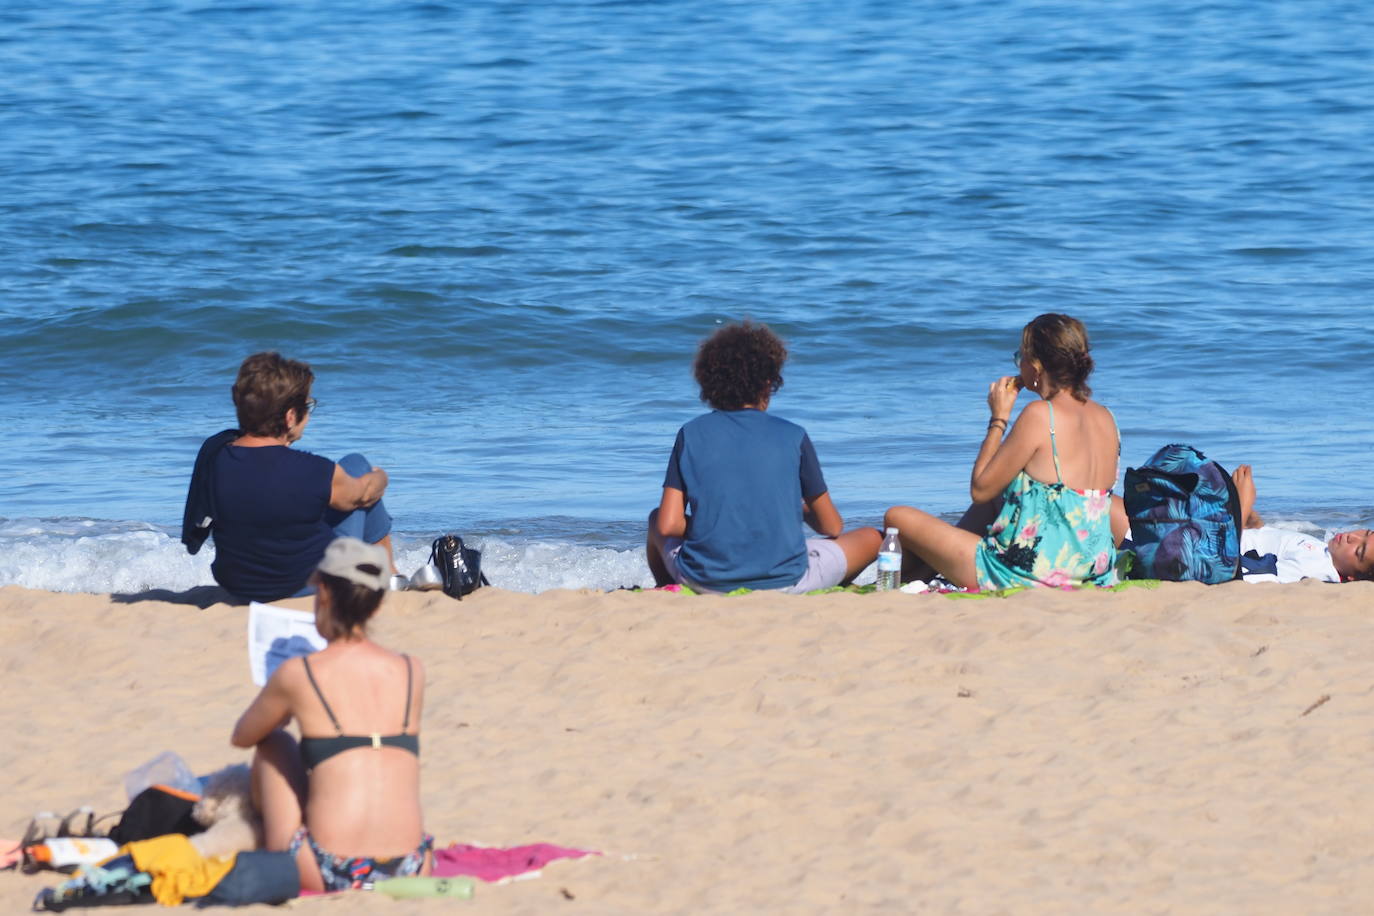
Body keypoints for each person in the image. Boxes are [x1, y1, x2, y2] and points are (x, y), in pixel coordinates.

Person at [232, 537, 431, 892]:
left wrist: (280, 710)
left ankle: (265, 833)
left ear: (323, 594)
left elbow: (242, 736)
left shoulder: (299, 672)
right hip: (412, 865)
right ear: (376, 605)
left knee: (273, 743)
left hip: (331, 869)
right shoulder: (412, 670)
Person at [884, 313, 1119, 590]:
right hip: (1090, 568)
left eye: (1022, 356)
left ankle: (920, 575)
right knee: (998, 499)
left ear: (1037, 366)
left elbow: (980, 488)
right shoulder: (1106, 417)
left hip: (1031, 573)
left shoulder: (1041, 415)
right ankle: (930, 570)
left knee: (896, 517)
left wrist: (998, 418)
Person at [646, 321, 881, 594]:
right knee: (873, 537)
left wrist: (720, 520)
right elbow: (832, 526)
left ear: (710, 383)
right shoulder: (793, 435)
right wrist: (788, 509)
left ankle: (668, 589)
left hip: (703, 581)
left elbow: (669, 523)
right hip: (786, 582)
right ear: (769, 382)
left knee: (654, 518)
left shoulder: (691, 433)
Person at [182, 352, 394, 602]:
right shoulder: (313, 470)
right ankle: (389, 574)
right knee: (357, 464)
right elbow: (363, 494)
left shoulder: (214, 452)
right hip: (306, 586)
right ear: (290, 416)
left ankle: (389, 574)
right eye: (308, 406)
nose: (309, 415)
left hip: (239, 586)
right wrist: (381, 476)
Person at [1225, 463, 1370, 583]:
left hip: (1218, 544)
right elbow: (1269, 543)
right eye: (1366, 533)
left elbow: (1245, 574)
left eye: (1359, 551)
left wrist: (1241, 505)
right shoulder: (1328, 555)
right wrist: (1253, 520)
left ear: (1353, 578)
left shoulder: (1315, 568)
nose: (1354, 537)